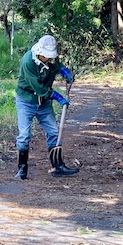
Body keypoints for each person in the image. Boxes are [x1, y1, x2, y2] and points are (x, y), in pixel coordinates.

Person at [14, 34, 79, 179]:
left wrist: (64, 71)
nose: (49, 59)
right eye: (46, 56)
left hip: (43, 103)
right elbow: (39, 88)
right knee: (24, 136)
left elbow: (58, 66)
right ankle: (22, 169)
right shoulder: (28, 62)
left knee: (54, 132)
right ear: (39, 53)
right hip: (26, 100)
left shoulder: (51, 59)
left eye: (51, 57)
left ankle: (58, 166)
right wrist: (57, 97)